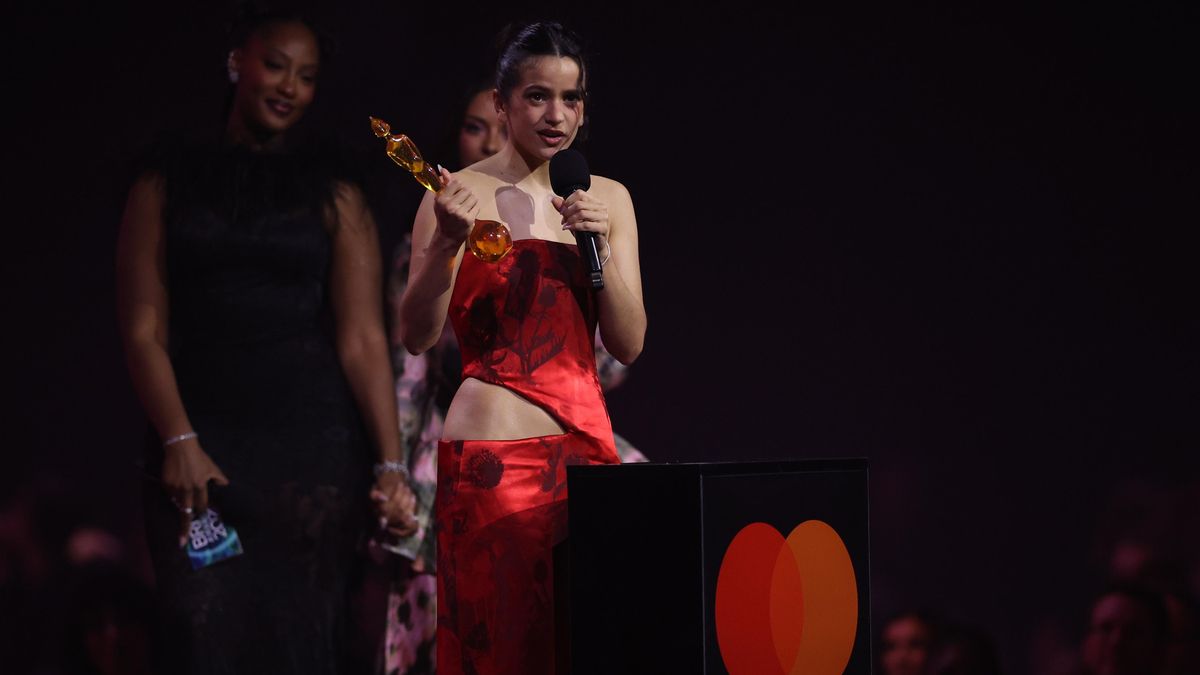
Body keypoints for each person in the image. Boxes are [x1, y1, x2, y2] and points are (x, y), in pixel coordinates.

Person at [116, 9, 415, 674]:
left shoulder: (335, 192)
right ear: (236, 62)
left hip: (312, 460)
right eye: (275, 64)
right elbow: (142, 328)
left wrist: (391, 467)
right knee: (202, 635)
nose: (289, 86)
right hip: (199, 452)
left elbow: (364, 337)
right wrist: (178, 439)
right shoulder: (164, 182)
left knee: (302, 643)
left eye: (306, 76)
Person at [397, 21, 646, 675]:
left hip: (588, 454)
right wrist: (448, 243)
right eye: (538, 96)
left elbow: (628, 341)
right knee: (503, 652)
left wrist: (605, 249)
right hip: (494, 461)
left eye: (572, 97)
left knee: (585, 647)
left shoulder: (608, 198)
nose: (557, 114)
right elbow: (417, 335)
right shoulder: (457, 194)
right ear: (503, 103)